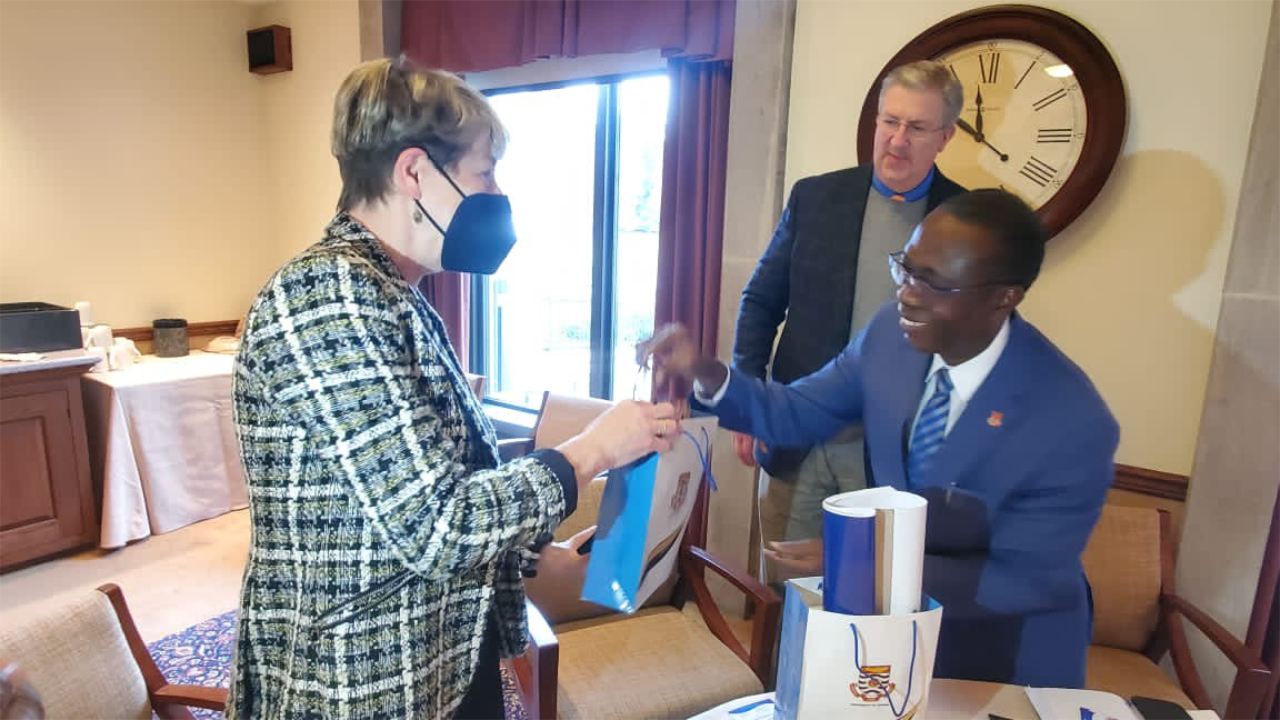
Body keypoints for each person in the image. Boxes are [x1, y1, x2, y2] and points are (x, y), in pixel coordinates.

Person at [228, 57, 681, 719]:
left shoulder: (394, 296)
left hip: (439, 653)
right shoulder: (328, 298)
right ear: (415, 173)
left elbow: (434, 484)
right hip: (365, 681)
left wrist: (532, 547)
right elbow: (437, 526)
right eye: (485, 171)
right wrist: (591, 452)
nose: (496, 192)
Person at [643, 189, 1118, 687]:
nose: (907, 293)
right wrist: (705, 371)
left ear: (1005, 296)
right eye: (906, 268)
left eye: (934, 283)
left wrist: (867, 561)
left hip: (1004, 653)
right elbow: (798, 411)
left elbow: (1025, 578)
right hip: (895, 643)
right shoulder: (890, 337)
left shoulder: (1072, 418)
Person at [733, 60, 966, 559]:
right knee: (787, 597)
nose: (897, 140)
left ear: (945, 137)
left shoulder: (966, 220)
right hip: (800, 440)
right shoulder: (817, 197)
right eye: (890, 121)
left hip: (896, 459)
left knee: (874, 603)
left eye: (917, 127)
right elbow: (760, 301)